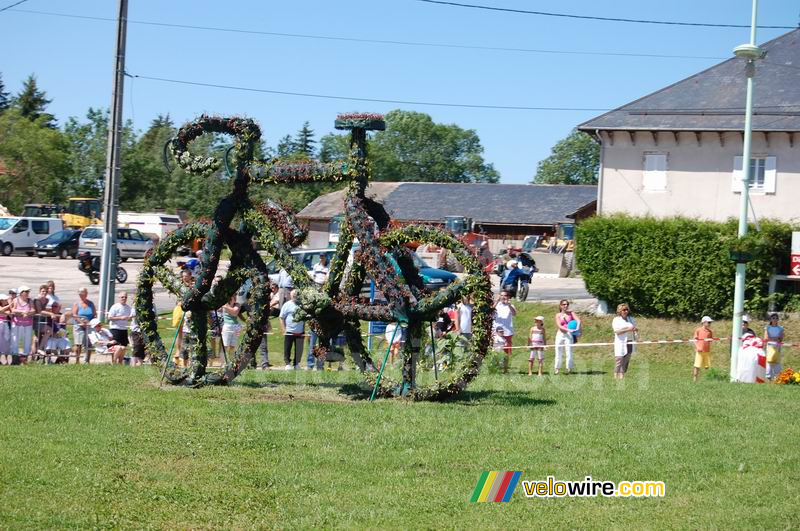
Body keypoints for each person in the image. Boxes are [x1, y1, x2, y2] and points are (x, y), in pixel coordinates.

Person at [279, 289, 304, 370]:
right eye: (293, 295)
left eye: (296, 295)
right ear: (290, 295)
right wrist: (284, 329)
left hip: (300, 331)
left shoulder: (302, 304)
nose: (295, 297)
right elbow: (281, 317)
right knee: (287, 348)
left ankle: (296, 364)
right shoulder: (287, 305)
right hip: (289, 331)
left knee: (299, 349)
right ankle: (288, 364)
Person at [612, 303, 637, 380]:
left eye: (627, 309)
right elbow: (617, 331)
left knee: (626, 360)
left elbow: (634, 328)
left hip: (630, 341)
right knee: (619, 359)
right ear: (620, 311)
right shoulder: (616, 320)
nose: (626, 311)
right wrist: (627, 329)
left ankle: (622, 376)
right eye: (624, 310)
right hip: (620, 342)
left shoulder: (631, 319)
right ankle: (616, 376)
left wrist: (635, 330)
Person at [492, 291, 516, 373]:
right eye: (501, 295)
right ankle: (496, 367)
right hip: (496, 332)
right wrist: (496, 301)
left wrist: (508, 304)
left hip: (507, 332)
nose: (503, 297)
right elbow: (490, 311)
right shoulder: (497, 305)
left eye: (505, 295)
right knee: (496, 350)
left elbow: (514, 313)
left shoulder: (510, 306)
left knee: (506, 351)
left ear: (508, 297)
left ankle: (505, 369)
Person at [554, 299, 580, 375]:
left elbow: (578, 320)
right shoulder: (558, 315)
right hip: (560, 334)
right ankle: (557, 369)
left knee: (569, 351)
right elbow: (559, 325)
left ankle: (569, 368)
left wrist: (577, 328)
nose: (566, 306)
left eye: (567, 304)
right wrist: (568, 329)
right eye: (564, 304)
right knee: (558, 351)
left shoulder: (571, 313)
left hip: (569, 335)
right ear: (560, 306)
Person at [10, 285, 35, 364]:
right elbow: (12, 309)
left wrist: (28, 313)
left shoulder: (30, 300)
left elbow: (33, 310)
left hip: (28, 324)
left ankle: (25, 358)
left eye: (28, 292)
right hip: (17, 323)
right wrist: (22, 312)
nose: (28, 293)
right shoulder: (15, 300)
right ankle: (15, 358)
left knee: (27, 341)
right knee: (15, 341)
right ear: (21, 293)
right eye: (26, 292)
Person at [106, 292, 132, 364]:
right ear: (119, 298)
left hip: (124, 329)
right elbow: (109, 317)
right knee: (116, 347)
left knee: (123, 347)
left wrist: (128, 318)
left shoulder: (128, 307)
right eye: (122, 297)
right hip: (115, 329)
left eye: (125, 297)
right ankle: (113, 362)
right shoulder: (115, 306)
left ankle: (120, 362)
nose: (124, 298)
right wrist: (120, 318)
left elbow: (130, 318)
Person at [72, 288, 96, 364]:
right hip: (79, 326)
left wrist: (90, 322)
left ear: (86, 294)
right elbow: (75, 315)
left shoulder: (91, 304)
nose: (81, 295)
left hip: (89, 325)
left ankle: (87, 360)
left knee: (89, 344)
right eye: (80, 293)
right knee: (78, 344)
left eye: (82, 293)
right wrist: (81, 322)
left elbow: (94, 314)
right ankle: (77, 360)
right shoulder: (77, 304)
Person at [692, 316, 714, 382]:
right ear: (704, 322)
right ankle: (695, 380)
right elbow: (694, 340)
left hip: (707, 351)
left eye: (710, 323)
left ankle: (709, 380)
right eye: (709, 322)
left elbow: (710, 340)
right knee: (697, 366)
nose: (710, 324)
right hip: (699, 352)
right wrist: (698, 347)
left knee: (707, 366)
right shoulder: (698, 330)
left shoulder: (710, 331)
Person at [764, 313, 785, 380]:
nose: (775, 319)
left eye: (776, 318)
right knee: (769, 360)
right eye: (773, 318)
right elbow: (766, 338)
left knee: (777, 361)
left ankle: (778, 376)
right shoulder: (767, 327)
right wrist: (775, 338)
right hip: (770, 345)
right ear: (770, 319)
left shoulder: (780, 328)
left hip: (777, 345)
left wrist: (775, 338)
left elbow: (781, 338)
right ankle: (768, 376)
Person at [0, 290, 12, 365]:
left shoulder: (7, 307)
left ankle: (6, 356)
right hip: (1, 323)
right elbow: (1, 310)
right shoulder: (6, 307)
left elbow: (8, 314)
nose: (6, 301)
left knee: (6, 340)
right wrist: (10, 305)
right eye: (4, 300)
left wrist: (3, 312)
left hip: (6, 324)